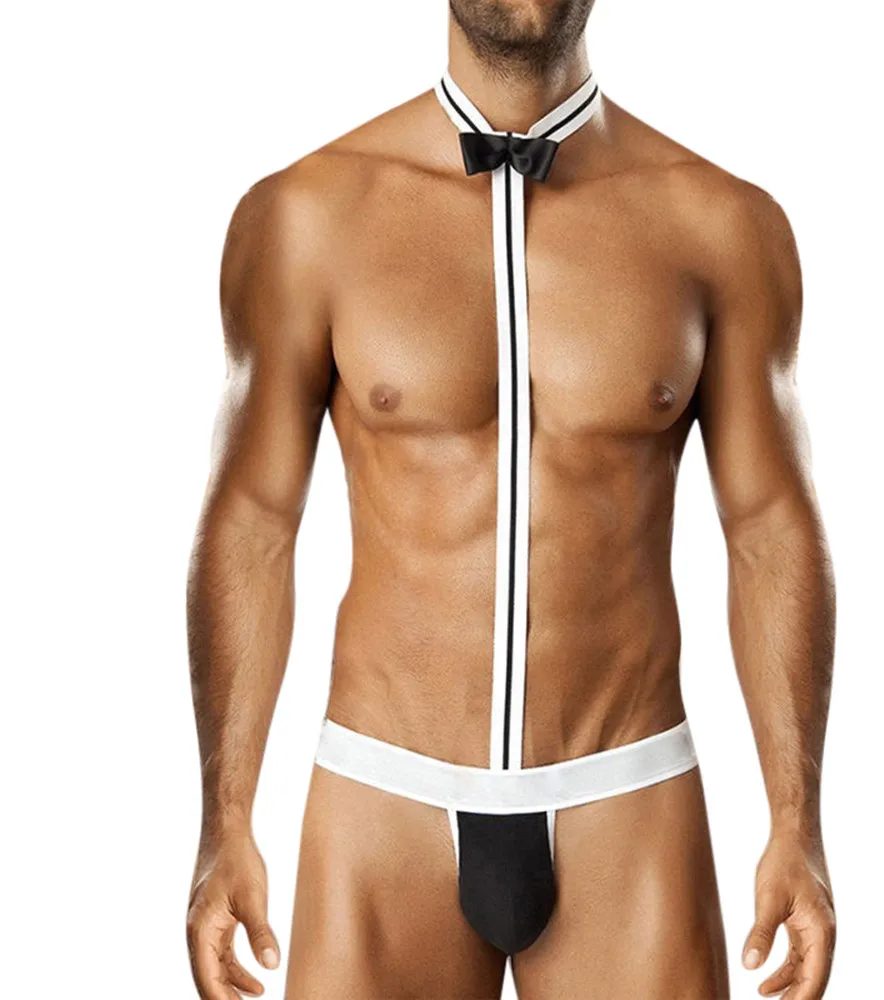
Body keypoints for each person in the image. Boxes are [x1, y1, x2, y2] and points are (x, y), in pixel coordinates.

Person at [185, 1, 837, 997]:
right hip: (382, 800)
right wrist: (222, 820)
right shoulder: (307, 215)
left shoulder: (720, 225)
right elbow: (254, 524)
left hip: (627, 795)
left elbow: (768, 530)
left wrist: (798, 822)